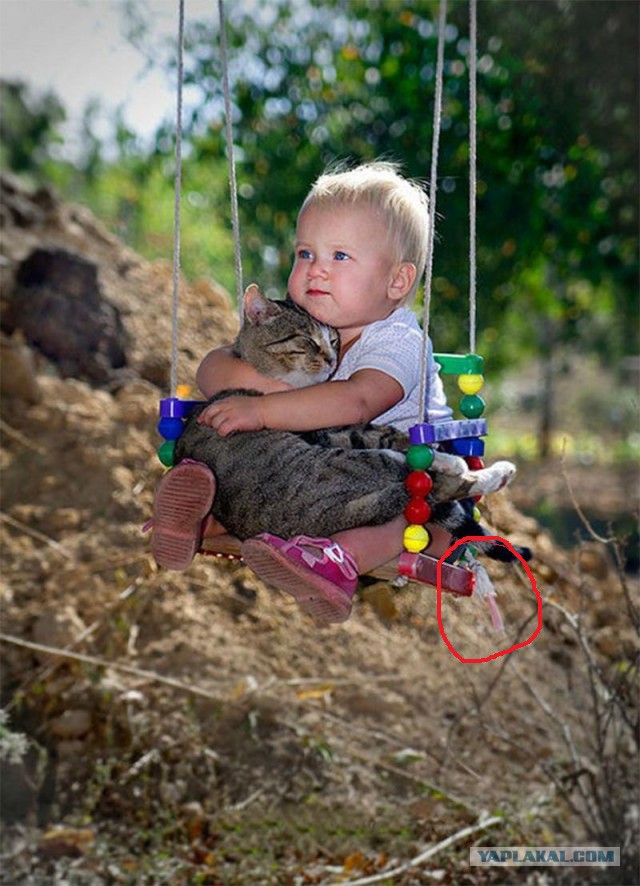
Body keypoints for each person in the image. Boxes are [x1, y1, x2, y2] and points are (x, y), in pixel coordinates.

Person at [151, 160, 452, 622]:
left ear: (397, 281)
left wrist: (266, 410)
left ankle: (336, 563)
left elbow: (357, 401)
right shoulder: (311, 326)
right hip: (324, 470)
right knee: (241, 444)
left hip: (411, 468)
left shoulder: (397, 339)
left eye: (340, 257)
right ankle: (203, 513)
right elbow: (214, 366)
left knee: (409, 518)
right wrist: (258, 391)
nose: (316, 271)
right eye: (305, 253)